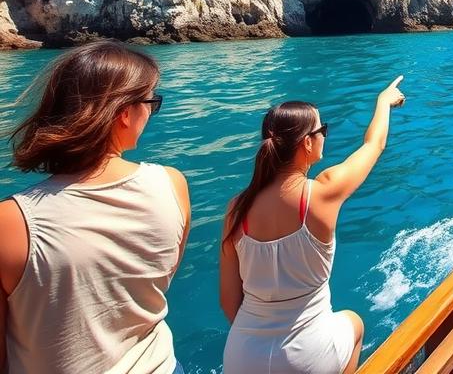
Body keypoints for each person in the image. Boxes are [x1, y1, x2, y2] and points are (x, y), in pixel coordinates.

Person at [0, 41, 191, 374]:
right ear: (123, 113)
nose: (151, 112)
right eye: (151, 102)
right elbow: (161, 275)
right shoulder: (172, 186)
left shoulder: (12, 222)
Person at [220, 76, 405, 374]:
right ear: (307, 142)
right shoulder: (322, 193)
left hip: (242, 354)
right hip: (307, 355)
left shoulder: (236, 209)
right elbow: (375, 144)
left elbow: (229, 301)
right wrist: (384, 101)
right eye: (323, 130)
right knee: (354, 323)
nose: (324, 136)